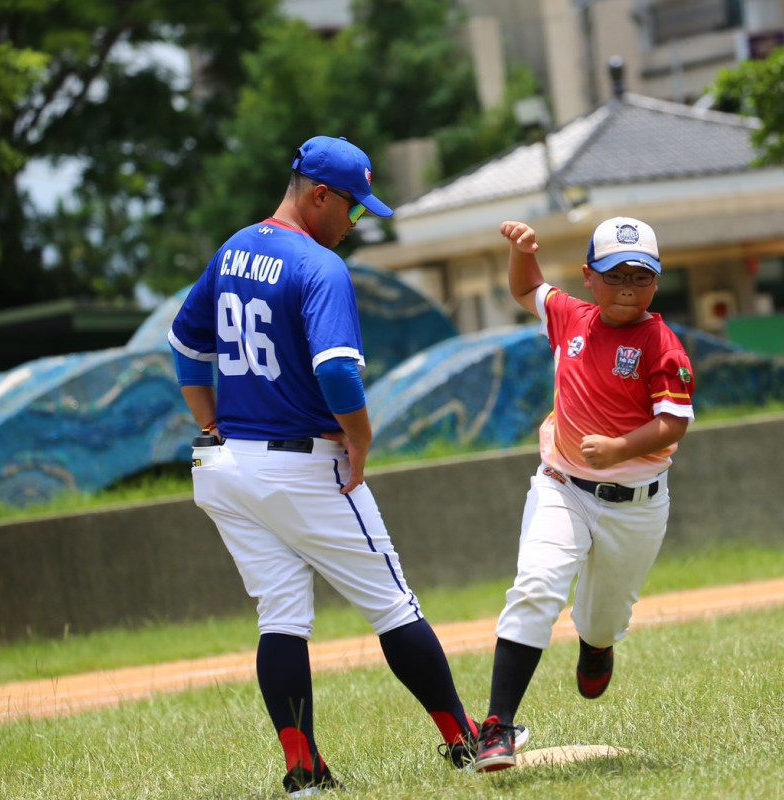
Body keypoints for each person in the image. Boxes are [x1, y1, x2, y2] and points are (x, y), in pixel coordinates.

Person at [168, 135, 513, 795]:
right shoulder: (318, 267)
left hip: (226, 469)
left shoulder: (234, 248)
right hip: (301, 466)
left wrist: (207, 420)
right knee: (392, 603)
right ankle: (464, 742)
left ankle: (304, 770)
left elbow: (187, 345)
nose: (354, 225)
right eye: (353, 209)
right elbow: (337, 372)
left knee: (281, 615)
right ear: (319, 194)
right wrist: (362, 437)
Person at [472, 217, 695, 772]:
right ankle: (497, 727)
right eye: (614, 273)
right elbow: (526, 288)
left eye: (640, 276)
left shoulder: (661, 343)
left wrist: (620, 449)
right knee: (536, 585)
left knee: (601, 619)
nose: (626, 286)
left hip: (636, 504)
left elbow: (674, 424)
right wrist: (523, 252)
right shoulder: (570, 316)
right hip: (562, 485)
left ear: (657, 282)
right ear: (588, 277)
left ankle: (596, 643)